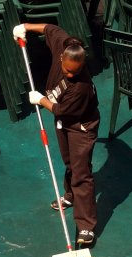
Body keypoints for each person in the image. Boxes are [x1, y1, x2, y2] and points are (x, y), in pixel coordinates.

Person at [13, 23, 99, 245]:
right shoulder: (65, 44)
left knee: (82, 174)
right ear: (61, 56)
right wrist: (25, 27)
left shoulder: (81, 86)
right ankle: (70, 196)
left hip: (80, 127)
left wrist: (40, 99)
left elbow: (60, 110)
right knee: (69, 162)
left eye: (75, 71)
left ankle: (86, 226)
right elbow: (50, 28)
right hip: (63, 122)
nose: (71, 74)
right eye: (68, 69)